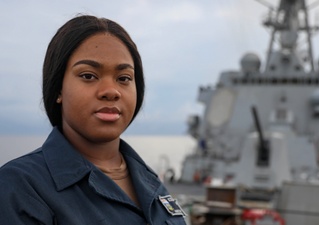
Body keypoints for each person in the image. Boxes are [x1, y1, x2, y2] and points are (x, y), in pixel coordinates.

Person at [0, 15, 186, 225]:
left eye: (124, 78)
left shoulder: (151, 183)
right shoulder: (20, 186)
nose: (111, 91)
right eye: (88, 76)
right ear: (58, 89)